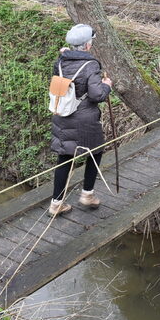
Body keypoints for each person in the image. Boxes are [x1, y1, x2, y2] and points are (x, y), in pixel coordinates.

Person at [48, 24, 113, 217]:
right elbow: (96, 95)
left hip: (62, 114)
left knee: (65, 157)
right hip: (84, 119)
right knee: (95, 152)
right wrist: (107, 86)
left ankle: (56, 204)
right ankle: (87, 195)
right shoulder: (91, 65)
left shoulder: (61, 61)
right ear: (87, 45)